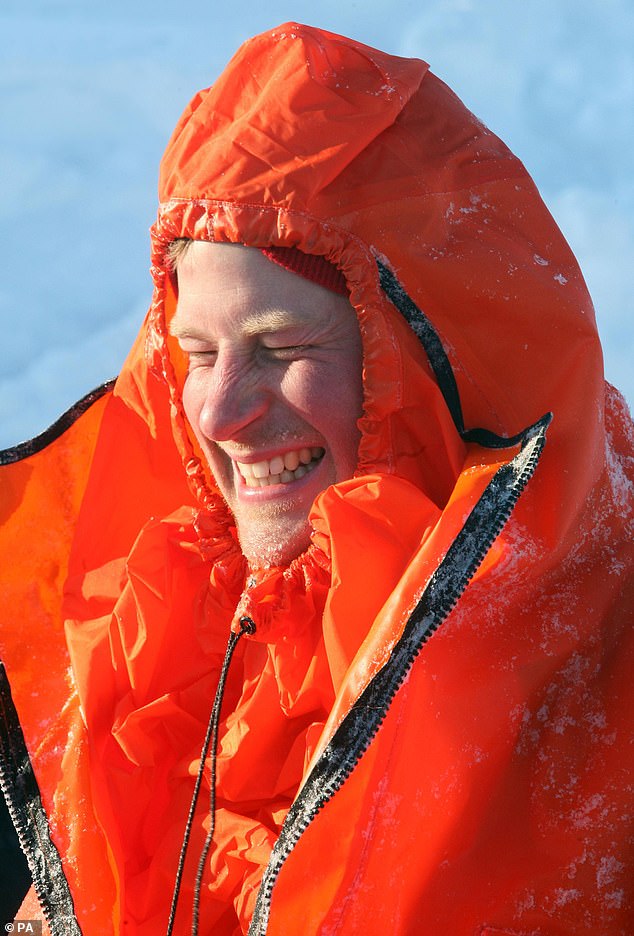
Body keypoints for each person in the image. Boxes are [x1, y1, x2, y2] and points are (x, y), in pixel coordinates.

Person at [1, 21, 632, 936]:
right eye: (195, 353)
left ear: (434, 363)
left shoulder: (600, 685)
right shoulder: (148, 649)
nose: (219, 413)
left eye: (282, 347)